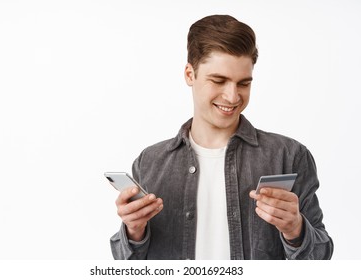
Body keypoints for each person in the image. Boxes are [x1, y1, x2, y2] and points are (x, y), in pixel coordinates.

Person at [110, 14, 334, 260]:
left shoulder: (289, 156)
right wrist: (134, 231)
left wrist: (295, 230)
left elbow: (321, 259)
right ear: (189, 74)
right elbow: (126, 265)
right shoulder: (150, 162)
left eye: (243, 84)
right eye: (219, 81)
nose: (232, 97)